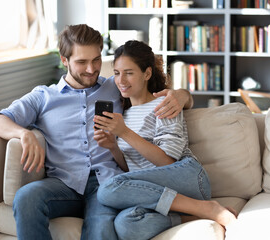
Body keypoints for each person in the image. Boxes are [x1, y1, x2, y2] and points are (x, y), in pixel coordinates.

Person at [0, 24, 193, 240]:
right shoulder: (43, 97)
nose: (92, 69)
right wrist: (23, 134)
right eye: (82, 62)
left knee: (100, 230)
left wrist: (182, 95)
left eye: (96, 60)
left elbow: (154, 88)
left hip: (106, 184)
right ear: (64, 60)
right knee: (26, 197)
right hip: (63, 184)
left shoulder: (116, 85)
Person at [94, 40, 237, 240]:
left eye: (129, 72)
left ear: (147, 73)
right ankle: (195, 214)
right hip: (157, 192)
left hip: (187, 177)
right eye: (117, 73)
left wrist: (125, 133)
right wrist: (113, 147)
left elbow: (167, 162)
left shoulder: (165, 104)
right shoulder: (123, 115)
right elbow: (134, 173)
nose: (121, 80)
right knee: (126, 224)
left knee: (107, 189)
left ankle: (208, 208)